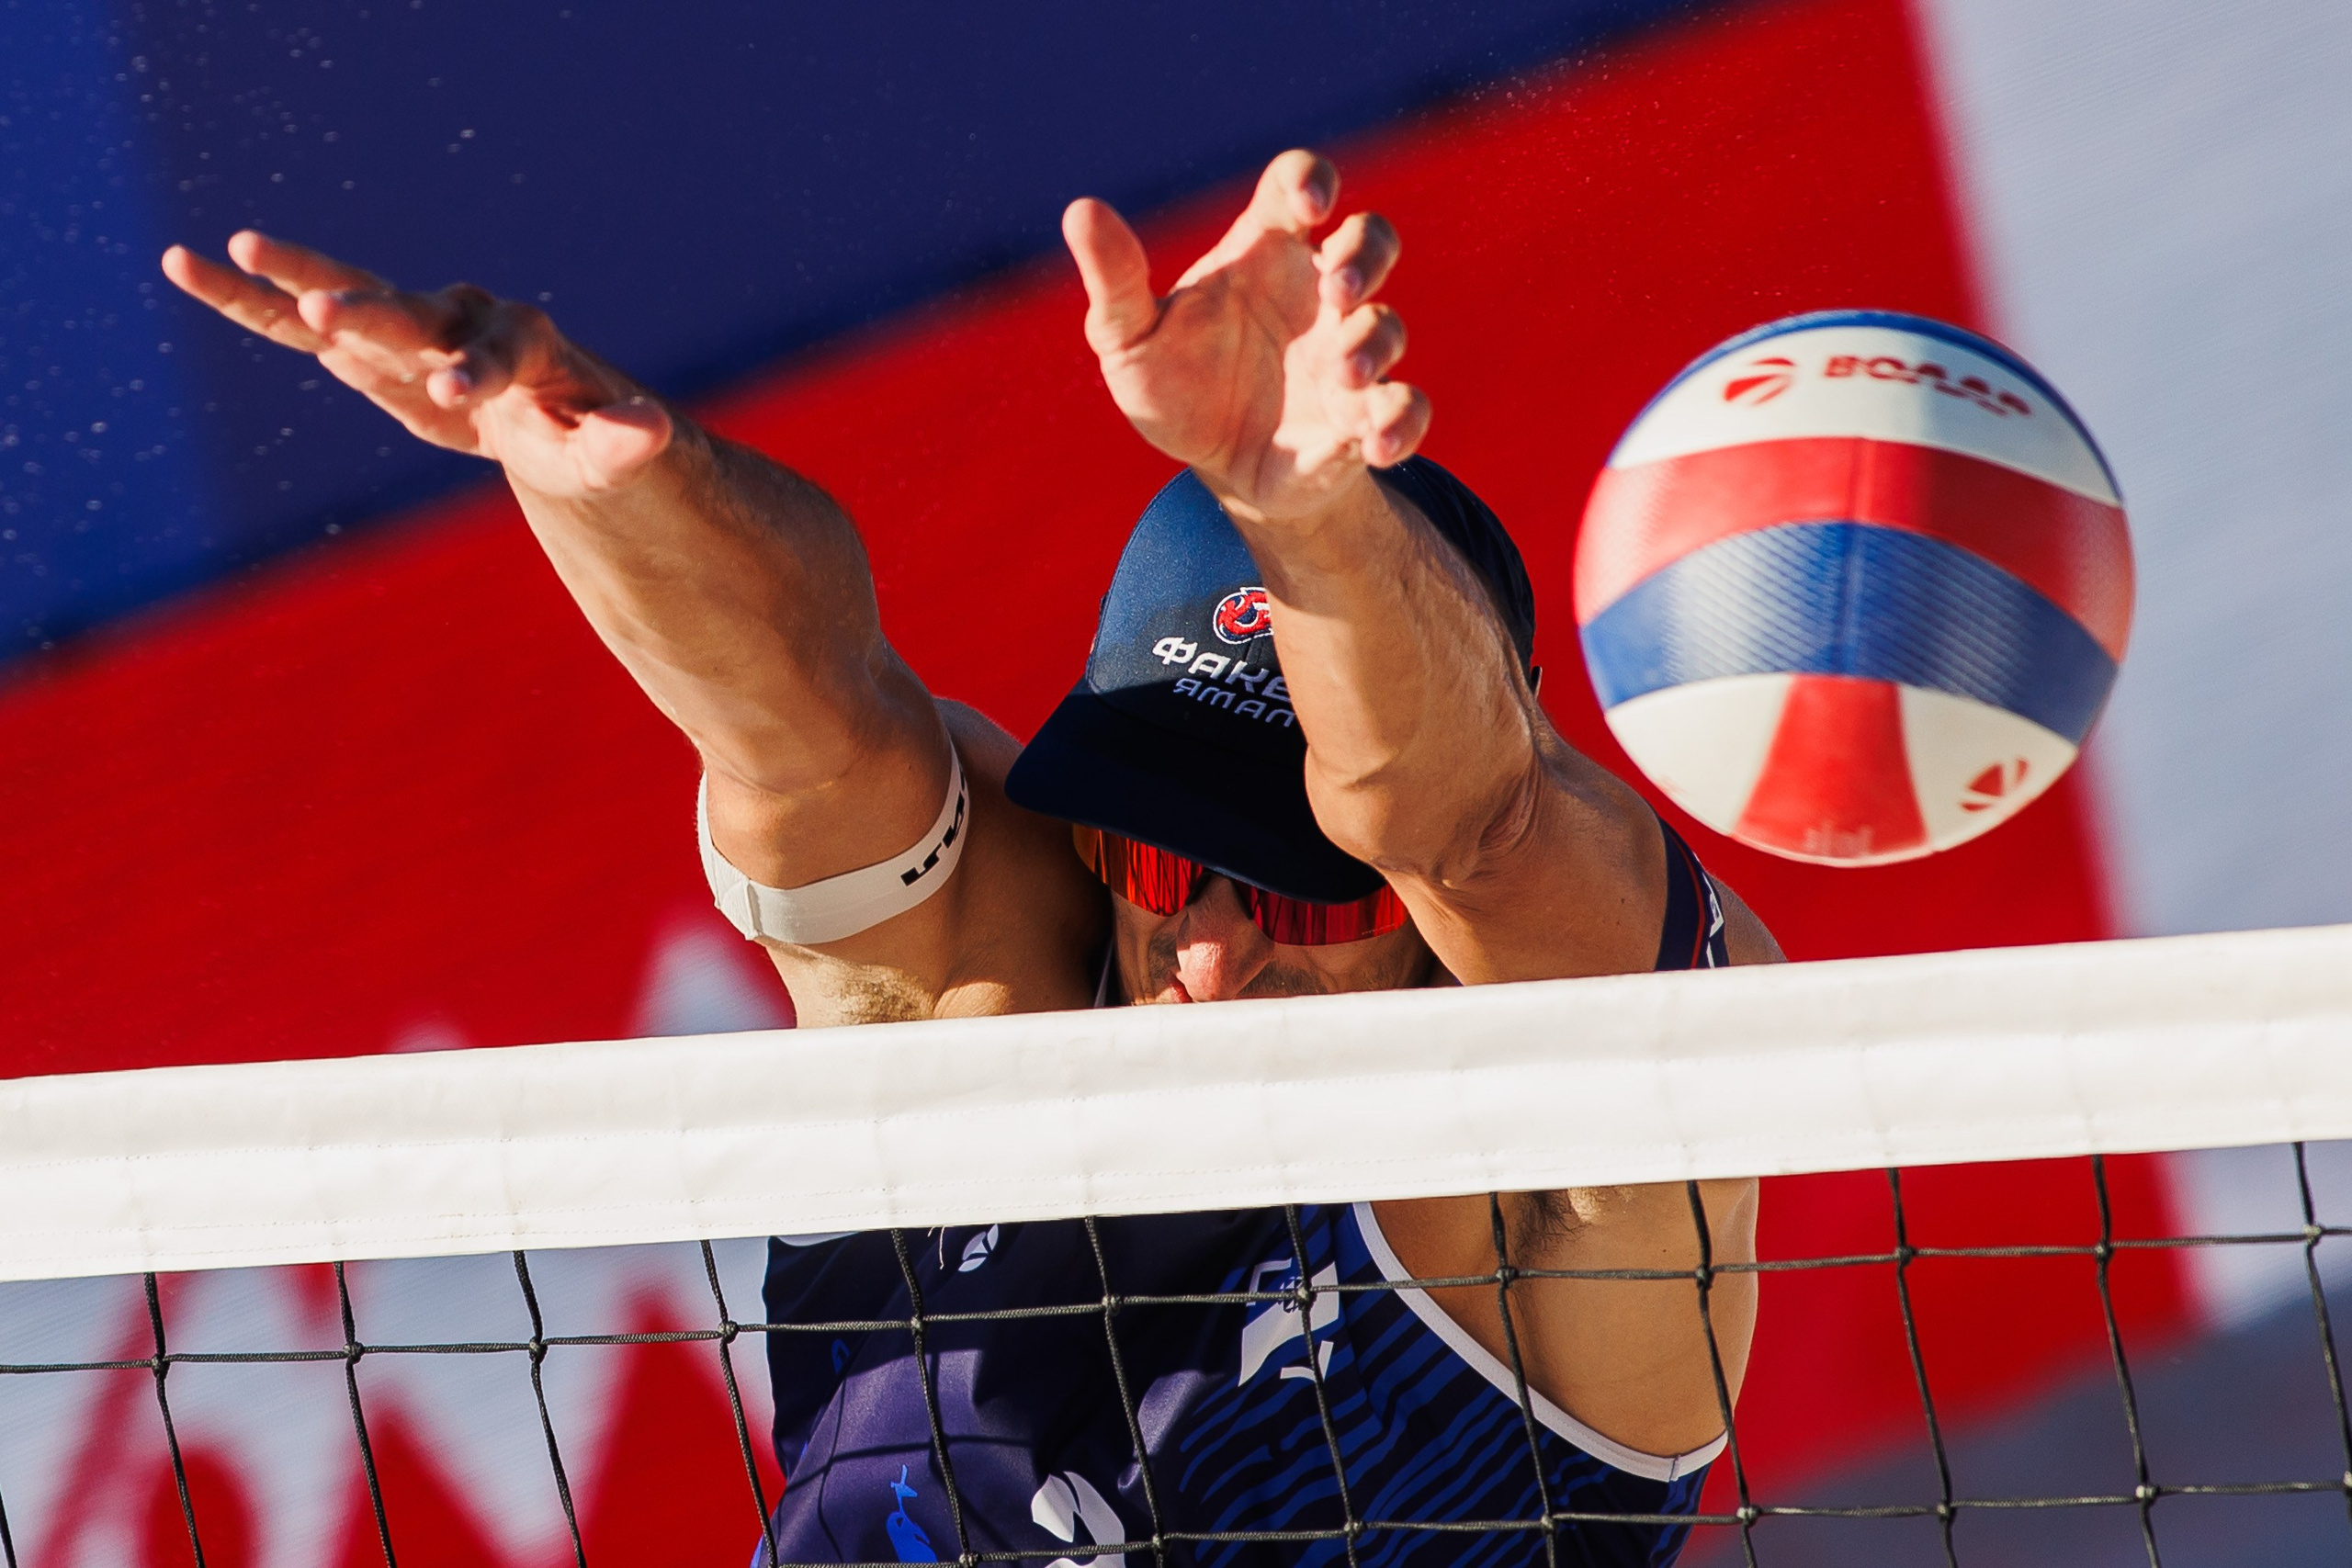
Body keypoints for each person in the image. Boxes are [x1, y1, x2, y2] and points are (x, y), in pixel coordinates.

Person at [164, 149, 1779, 1566]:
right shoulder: (989, 1013)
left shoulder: (1565, 1181)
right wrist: (600, 468)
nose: (1210, 956)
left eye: (1299, 887)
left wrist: (1312, 522)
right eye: (1162, 868)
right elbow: (814, 721)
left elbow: (1473, 816)